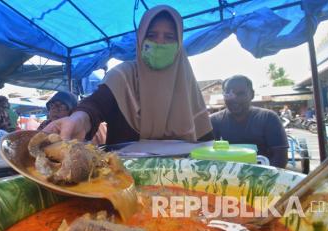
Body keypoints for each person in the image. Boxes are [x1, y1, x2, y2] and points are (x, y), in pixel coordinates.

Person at [44, 5, 213, 143]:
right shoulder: (123, 75)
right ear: (140, 40)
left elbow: (205, 139)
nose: (160, 42)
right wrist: (77, 120)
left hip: (179, 181)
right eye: (152, 35)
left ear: (179, 43)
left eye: (169, 37)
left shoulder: (187, 85)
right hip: (123, 180)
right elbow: (95, 105)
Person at [210, 75, 288, 168]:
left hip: (261, 176)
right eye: (228, 93)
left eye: (240, 93)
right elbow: (207, 154)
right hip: (225, 177)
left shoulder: (268, 118)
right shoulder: (214, 121)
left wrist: (263, 178)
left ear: (252, 94)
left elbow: (280, 156)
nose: (234, 98)